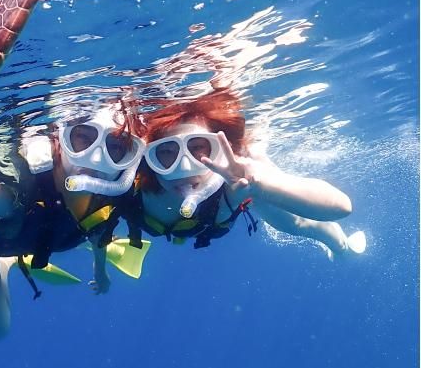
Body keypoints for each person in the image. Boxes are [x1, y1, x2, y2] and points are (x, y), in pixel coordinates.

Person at [0, 107, 145, 341]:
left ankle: (16, 253)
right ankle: (5, 263)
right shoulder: (6, 189)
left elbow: (98, 230)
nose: (96, 159)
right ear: (59, 138)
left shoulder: (112, 191)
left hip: (34, 234)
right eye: (83, 138)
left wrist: (100, 270)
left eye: (115, 147)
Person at [129, 89, 366, 258]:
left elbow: (341, 206)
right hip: (205, 222)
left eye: (198, 148)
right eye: (166, 153)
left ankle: (340, 247)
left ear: (220, 150)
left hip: (240, 197)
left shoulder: (237, 179)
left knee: (298, 224)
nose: (183, 167)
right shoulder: (130, 176)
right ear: (148, 158)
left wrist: (259, 184)